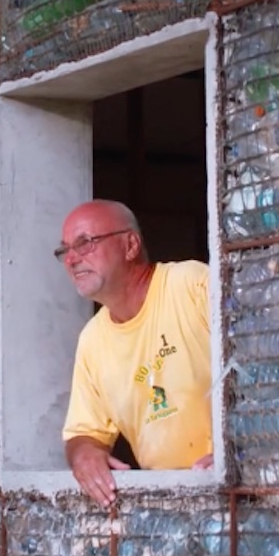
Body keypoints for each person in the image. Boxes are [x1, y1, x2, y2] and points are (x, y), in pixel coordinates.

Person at [57, 199, 214, 506]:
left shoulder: (192, 284)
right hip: (172, 504)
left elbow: (261, 366)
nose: (72, 259)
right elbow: (84, 432)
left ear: (130, 245)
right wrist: (84, 455)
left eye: (85, 243)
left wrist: (239, 450)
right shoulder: (92, 340)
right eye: (64, 250)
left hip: (240, 484)